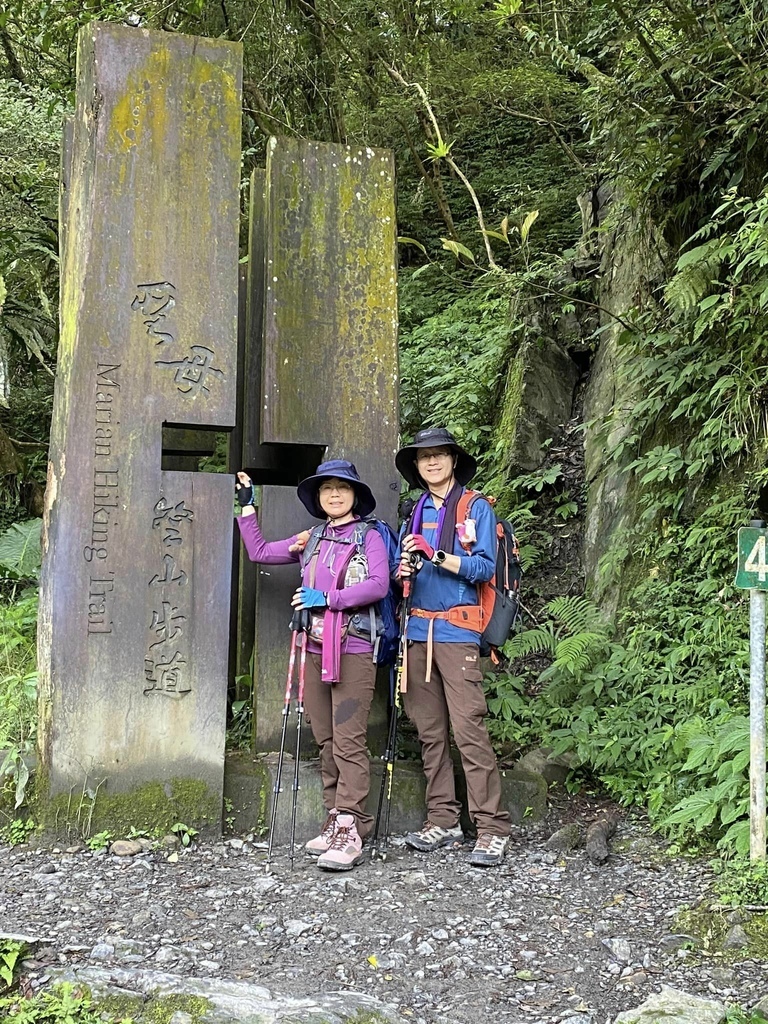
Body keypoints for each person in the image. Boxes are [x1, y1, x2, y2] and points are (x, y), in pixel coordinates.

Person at [235, 460, 389, 872]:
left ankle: (351, 827)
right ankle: (334, 818)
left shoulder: (368, 535)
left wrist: (327, 599)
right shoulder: (315, 536)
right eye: (327, 489)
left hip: (354, 646)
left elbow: (378, 584)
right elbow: (261, 552)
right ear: (318, 498)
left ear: (355, 494)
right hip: (316, 647)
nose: (334, 494)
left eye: (342, 488)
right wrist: (247, 506)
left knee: (349, 738)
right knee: (325, 737)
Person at [395, 427, 512, 867]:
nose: (431, 463)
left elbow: (484, 566)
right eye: (424, 457)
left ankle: (492, 827)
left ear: (454, 461)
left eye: (440, 455)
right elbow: (402, 571)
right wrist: (401, 567)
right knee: (429, 732)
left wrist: (437, 555)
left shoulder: (475, 506)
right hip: (417, 631)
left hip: (458, 631)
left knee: (469, 731)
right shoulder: (414, 509)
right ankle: (442, 818)